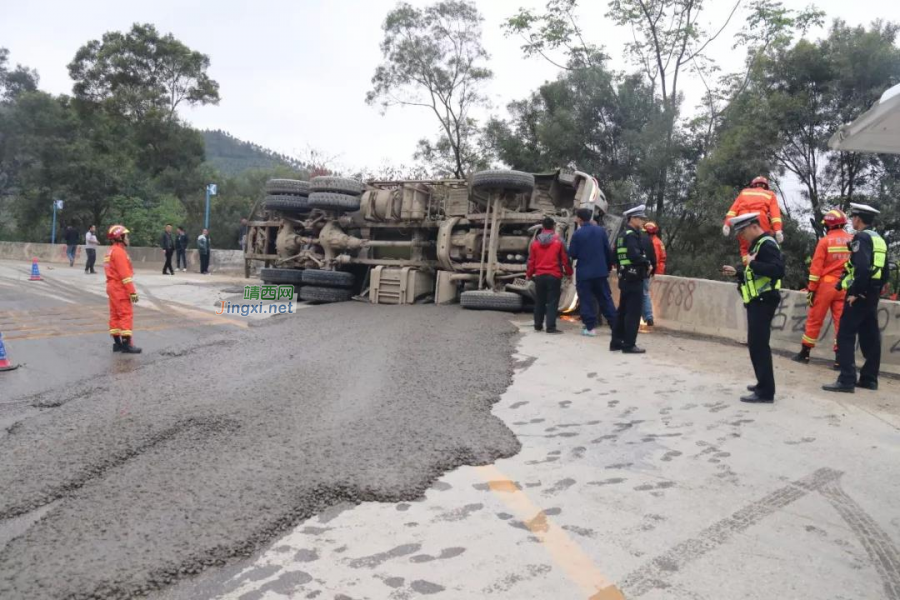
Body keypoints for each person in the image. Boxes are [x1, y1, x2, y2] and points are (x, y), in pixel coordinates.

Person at [823, 203, 887, 393]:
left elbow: (862, 268)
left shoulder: (861, 238)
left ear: (858, 219)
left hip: (860, 294)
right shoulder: (880, 240)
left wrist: (855, 293)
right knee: (871, 336)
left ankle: (846, 380)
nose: (852, 221)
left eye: (853, 218)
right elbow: (885, 271)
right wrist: (873, 291)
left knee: (845, 334)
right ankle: (869, 379)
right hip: (873, 293)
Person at [721, 213, 784, 404]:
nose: (741, 236)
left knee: (759, 346)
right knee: (756, 345)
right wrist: (737, 273)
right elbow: (754, 274)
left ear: (753, 227)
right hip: (757, 300)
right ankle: (762, 384)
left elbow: (778, 270)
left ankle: (766, 392)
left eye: (742, 231)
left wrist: (753, 263)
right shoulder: (758, 245)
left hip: (764, 300)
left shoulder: (767, 244)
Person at [793, 209, 853, 366]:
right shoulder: (852, 239)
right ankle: (840, 360)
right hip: (845, 286)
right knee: (841, 323)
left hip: (825, 286)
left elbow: (816, 269)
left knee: (815, 319)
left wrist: (812, 289)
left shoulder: (825, 241)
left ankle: (805, 353)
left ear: (828, 225)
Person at [568, 207, 617, 336]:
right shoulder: (601, 231)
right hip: (600, 272)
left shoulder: (578, 234)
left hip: (584, 273)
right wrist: (608, 267)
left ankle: (590, 328)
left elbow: (572, 253)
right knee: (605, 298)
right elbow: (608, 251)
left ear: (579, 219)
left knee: (586, 300)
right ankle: (615, 326)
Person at [611, 205, 652, 354]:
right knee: (633, 313)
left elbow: (614, 256)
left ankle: (616, 342)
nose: (642, 221)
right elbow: (635, 255)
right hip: (634, 278)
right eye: (640, 218)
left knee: (622, 311)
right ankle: (629, 345)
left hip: (624, 277)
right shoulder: (632, 235)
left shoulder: (622, 235)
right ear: (632, 219)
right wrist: (647, 263)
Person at [526, 216, 573, 334]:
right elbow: (565, 259)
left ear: (543, 227)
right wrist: (569, 273)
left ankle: (537, 325)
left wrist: (529, 274)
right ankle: (550, 327)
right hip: (554, 275)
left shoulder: (535, 243)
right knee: (552, 302)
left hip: (540, 276)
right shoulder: (559, 241)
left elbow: (531, 261)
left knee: (539, 301)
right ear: (553, 227)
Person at [722, 177, 784, 264]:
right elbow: (775, 215)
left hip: (742, 221)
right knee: (763, 245)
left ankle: (747, 267)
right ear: (765, 186)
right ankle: (760, 267)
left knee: (744, 248)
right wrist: (778, 230)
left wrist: (727, 224)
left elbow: (733, 209)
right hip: (759, 220)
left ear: (753, 185)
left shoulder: (744, 192)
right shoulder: (770, 194)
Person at [104, 225, 141, 354]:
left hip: (112, 287)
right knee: (125, 314)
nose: (128, 238)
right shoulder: (119, 252)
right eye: (126, 235)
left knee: (115, 315)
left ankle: (118, 344)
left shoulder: (110, 251)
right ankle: (126, 345)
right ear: (120, 237)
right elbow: (125, 276)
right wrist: (132, 292)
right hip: (119, 288)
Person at [639, 222, 658, 327]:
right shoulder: (649, 240)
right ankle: (649, 317)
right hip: (645, 272)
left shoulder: (633, 236)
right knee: (644, 294)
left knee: (631, 294)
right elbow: (653, 257)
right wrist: (653, 271)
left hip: (632, 272)